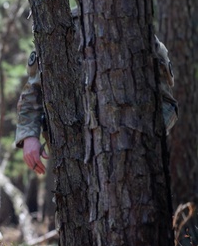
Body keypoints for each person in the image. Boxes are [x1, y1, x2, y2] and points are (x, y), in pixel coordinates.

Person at [15, 37, 178, 174]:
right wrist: (29, 136)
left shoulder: (141, 32)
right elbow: (33, 92)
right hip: (73, 163)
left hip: (131, 168)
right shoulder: (61, 28)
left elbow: (168, 106)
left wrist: (145, 140)